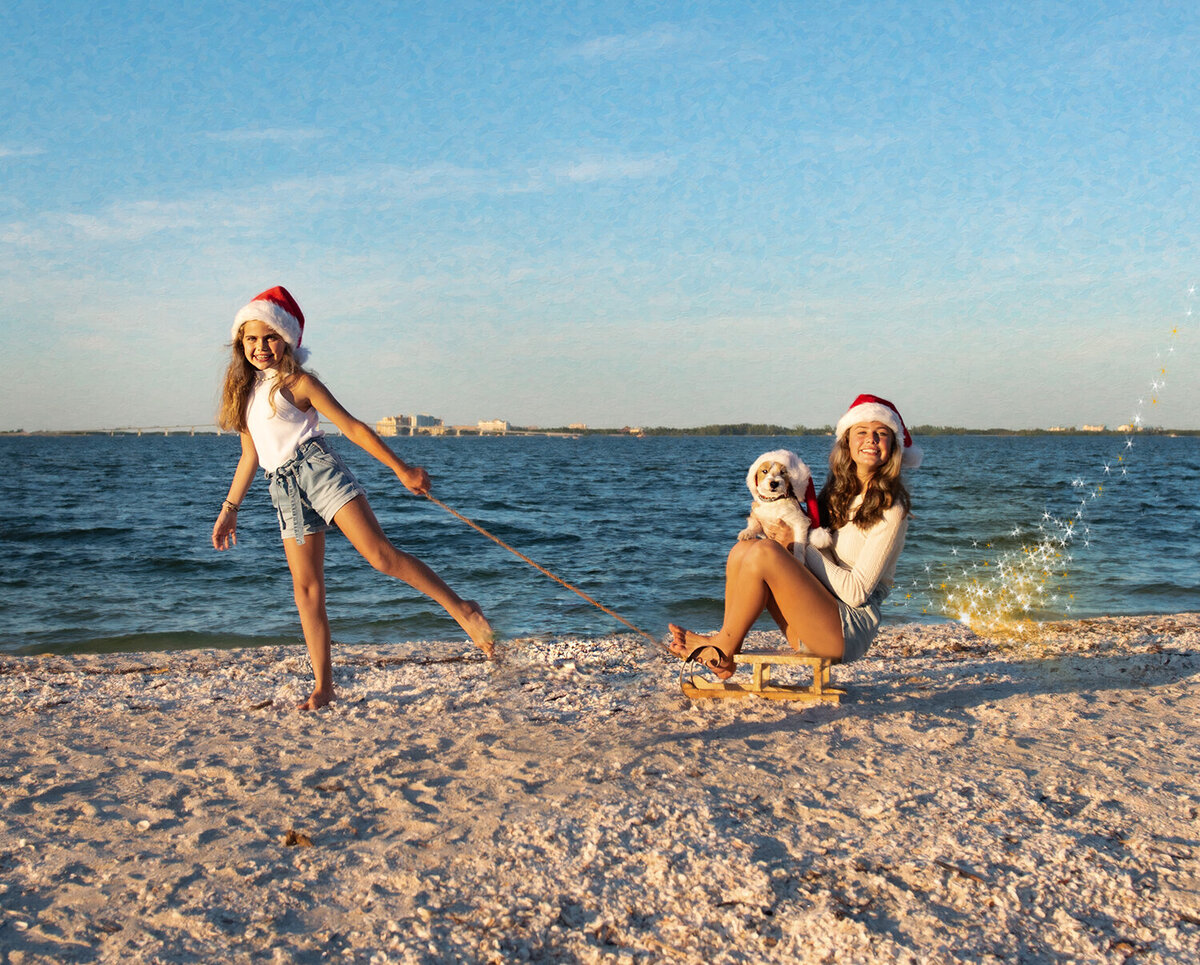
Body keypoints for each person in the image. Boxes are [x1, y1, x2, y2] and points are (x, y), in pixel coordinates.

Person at [212, 286, 494, 709]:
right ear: (240, 344)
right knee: (306, 589)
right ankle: (323, 687)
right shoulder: (246, 394)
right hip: (283, 488)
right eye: (251, 339)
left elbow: (353, 426)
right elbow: (250, 454)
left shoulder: (299, 384)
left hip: (318, 470)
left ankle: (463, 610)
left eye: (269, 336)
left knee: (380, 557)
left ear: (286, 339)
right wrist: (229, 509)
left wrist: (401, 469)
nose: (260, 347)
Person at [668, 394, 921, 677]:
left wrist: (794, 544)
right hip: (814, 617)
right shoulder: (837, 494)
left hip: (847, 629)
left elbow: (855, 593)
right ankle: (728, 643)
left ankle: (722, 648)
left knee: (767, 552)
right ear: (847, 442)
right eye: (861, 432)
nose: (871, 439)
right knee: (744, 549)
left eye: (881, 433)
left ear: (893, 446)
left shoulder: (891, 507)